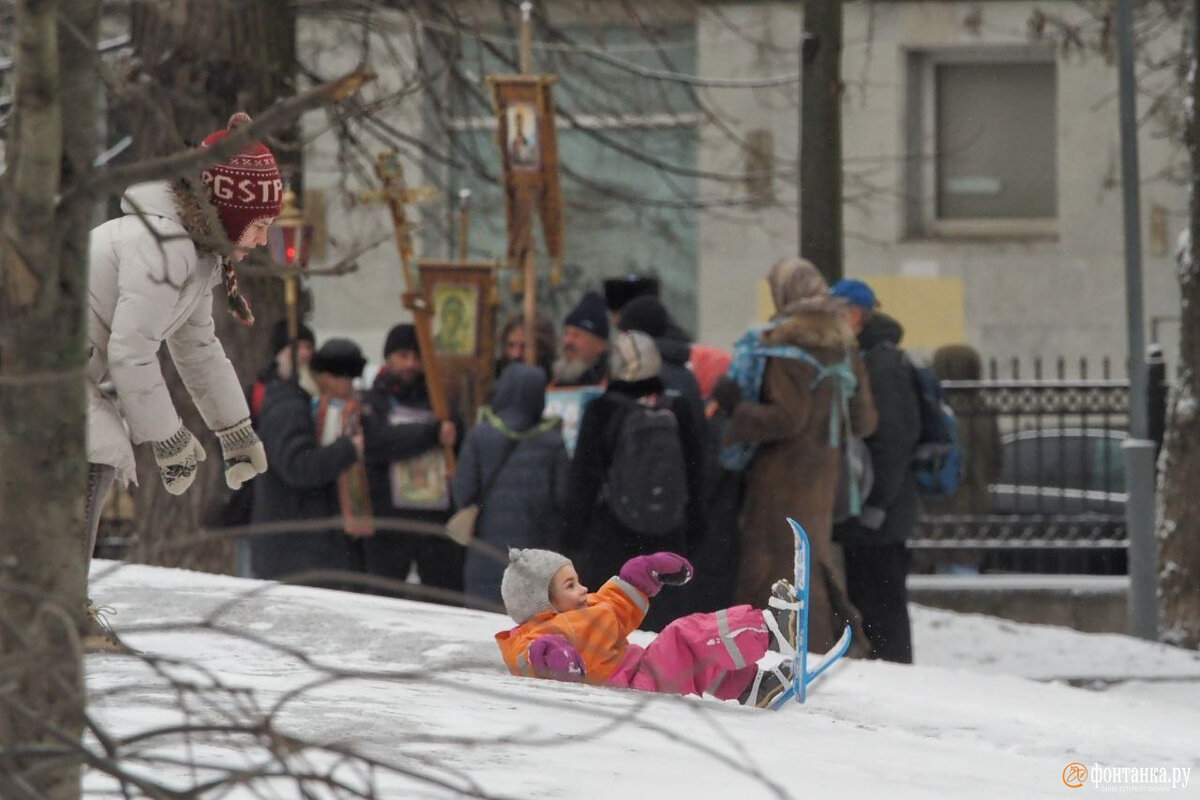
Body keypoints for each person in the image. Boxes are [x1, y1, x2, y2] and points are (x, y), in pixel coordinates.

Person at [84, 111, 277, 647]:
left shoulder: (194, 255)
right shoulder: (163, 245)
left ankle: (52, 604)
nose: (263, 241)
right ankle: (59, 610)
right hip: (39, 369)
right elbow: (130, 351)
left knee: (94, 453)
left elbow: (198, 349)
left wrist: (235, 432)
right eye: (260, 225)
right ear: (231, 211)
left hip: (66, 371)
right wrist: (168, 441)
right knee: (97, 451)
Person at [712, 257, 877, 656]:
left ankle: (769, 651)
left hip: (780, 478)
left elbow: (787, 417)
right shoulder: (844, 349)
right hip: (822, 479)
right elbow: (864, 419)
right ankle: (826, 644)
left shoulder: (785, 346)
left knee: (769, 566)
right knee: (809, 564)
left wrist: (737, 407)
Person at [495, 548, 801, 708]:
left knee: (698, 662)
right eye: (570, 585)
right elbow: (525, 657)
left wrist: (641, 574)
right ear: (543, 602)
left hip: (639, 675)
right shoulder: (538, 636)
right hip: (632, 688)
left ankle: (756, 689)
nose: (583, 588)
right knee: (685, 637)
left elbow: (613, 605)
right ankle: (771, 632)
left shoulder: (582, 611)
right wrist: (549, 656)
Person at [563, 331, 704, 631]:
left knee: (611, 622)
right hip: (669, 538)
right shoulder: (678, 410)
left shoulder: (601, 410)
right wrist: (692, 534)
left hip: (612, 535)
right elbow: (697, 479)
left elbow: (583, 483)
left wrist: (573, 538)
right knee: (663, 629)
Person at [829, 279, 921, 664]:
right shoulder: (866, 360)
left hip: (879, 514)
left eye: (836, 312)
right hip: (871, 509)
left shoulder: (880, 366)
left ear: (855, 315)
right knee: (874, 602)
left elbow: (892, 444)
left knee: (883, 607)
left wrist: (874, 506)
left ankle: (894, 677)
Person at [249, 338, 369, 583]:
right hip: (295, 550)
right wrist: (347, 449)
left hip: (302, 547)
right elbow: (298, 466)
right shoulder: (290, 406)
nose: (345, 384)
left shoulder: (302, 403)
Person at [361, 323, 464, 600]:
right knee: (383, 599)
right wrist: (432, 432)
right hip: (390, 522)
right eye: (403, 356)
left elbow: (459, 443)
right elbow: (380, 441)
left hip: (434, 522)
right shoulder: (374, 401)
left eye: (417, 357)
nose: (410, 364)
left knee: (442, 600)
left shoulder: (439, 401)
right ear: (389, 358)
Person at [452, 363, 568, 606]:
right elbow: (563, 499)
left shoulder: (478, 436)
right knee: (529, 626)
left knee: (482, 622)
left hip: (485, 553)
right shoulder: (552, 442)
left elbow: (463, 493)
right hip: (536, 557)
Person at [249, 319, 317, 422]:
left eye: (308, 347)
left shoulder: (318, 381)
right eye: (297, 347)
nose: (305, 353)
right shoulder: (262, 389)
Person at [551, 291, 610, 387]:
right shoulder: (551, 381)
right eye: (566, 334)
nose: (568, 341)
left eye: (576, 335)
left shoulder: (610, 384)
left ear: (600, 345)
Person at [495, 311, 557, 379]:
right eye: (511, 345)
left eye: (524, 347)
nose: (516, 354)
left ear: (542, 350)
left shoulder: (555, 381)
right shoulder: (495, 378)